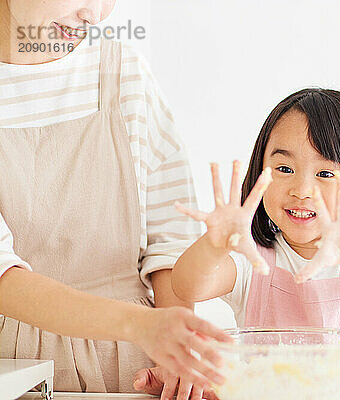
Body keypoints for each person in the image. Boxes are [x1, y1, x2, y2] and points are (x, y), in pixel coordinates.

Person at [0, 1, 228, 398]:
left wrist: (176, 356)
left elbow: (171, 240)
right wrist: (140, 326)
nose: (96, 14)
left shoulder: (124, 72)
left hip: (136, 367)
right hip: (15, 369)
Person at [172, 88, 340, 398]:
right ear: (258, 174)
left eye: (325, 173)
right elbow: (187, 286)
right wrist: (215, 244)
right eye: (284, 169)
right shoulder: (253, 258)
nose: (302, 189)